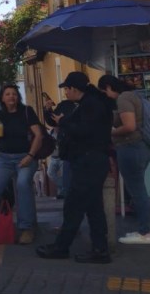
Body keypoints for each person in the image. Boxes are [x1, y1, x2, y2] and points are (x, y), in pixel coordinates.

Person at [36, 71, 114, 263]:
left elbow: (84, 131)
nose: (65, 93)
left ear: (74, 89)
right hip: (93, 160)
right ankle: (99, 249)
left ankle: (62, 247)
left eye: (67, 89)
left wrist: (64, 122)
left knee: (74, 206)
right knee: (93, 207)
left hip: (89, 161)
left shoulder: (90, 105)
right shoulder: (93, 102)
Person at [98, 74, 150, 244]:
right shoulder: (133, 95)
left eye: (104, 91)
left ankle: (145, 232)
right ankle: (145, 230)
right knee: (138, 189)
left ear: (109, 87)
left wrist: (109, 132)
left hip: (131, 146)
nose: (105, 96)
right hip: (140, 146)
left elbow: (129, 126)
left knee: (137, 190)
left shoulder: (123, 99)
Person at [0, 84, 43, 245]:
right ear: (2, 98)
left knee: (23, 185)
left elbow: (38, 135)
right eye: (8, 94)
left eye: (14, 94)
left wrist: (30, 156)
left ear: (18, 97)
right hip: (4, 159)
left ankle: (26, 229)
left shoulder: (26, 112)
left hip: (25, 157)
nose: (11, 97)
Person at [43, 92, 75, 199]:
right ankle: (66, 189)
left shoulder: (84, 104)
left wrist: (62, 120)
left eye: (68, 89)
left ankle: (67, 190)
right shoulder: (64, 104)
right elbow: (53, 121)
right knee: (56, 173)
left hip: (76, 146)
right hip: (64, 149)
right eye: (65, 89)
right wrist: (47, 110)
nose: (66, 92)